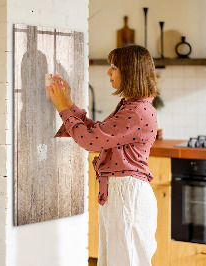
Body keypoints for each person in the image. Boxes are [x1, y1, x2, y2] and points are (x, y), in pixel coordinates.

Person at [46, 44, 159, 266]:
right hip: (121, 194)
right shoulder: (132, 106)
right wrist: (68, 103)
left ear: (130, 71)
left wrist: (62, 108)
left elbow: (90, 141)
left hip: (127, 196)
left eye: (114, 67)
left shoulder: (136, 111)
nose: (108, 72)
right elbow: (98, 134)